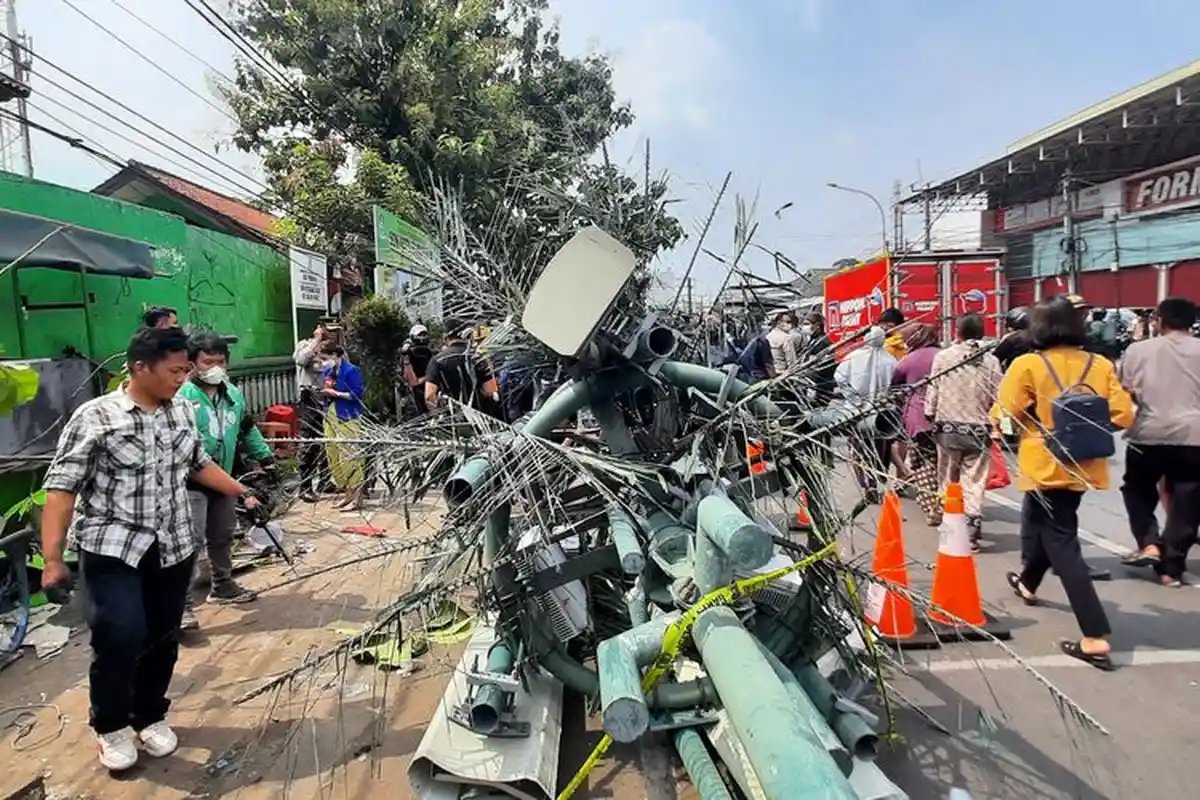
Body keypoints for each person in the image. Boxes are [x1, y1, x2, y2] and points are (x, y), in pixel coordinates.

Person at [39, 326, 261, 771]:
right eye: (175, 371)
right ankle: (111, 726)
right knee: (120, 634)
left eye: (186, 370)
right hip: (113, 549)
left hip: (173, 546)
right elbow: (61, 489)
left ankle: (149, 715)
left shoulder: (180, 411)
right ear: (140, 367)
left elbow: (199, 462)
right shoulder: (96, 417)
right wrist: (51, 559)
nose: (183, 378)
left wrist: (242, 491)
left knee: (163, 638)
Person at [992, 296, 1133, 670]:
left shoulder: (1027, 365)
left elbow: (1005, 415)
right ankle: (1028, 582)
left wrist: (1009, 430)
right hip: (1084, 463)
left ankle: (1094, 635)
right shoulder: (1099, 364)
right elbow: (1122, 414)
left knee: (1061, 540)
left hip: (1043, 463)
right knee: (1047, 525)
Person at [177, 333, 273, 629]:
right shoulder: (182, 398)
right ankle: (180, 606)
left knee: (222, 534)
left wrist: (265, 457)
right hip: (188, 481)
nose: (215, 367)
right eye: (208, 361)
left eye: (220, 361)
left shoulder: (232, 394)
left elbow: (246, 429)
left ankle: (222, 585)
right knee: (188, 542)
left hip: (224, 477)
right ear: (192, 363)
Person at [1118, 297, 1200, 587]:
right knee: (1187, 501)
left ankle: (1149, 543)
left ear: (1160, 321)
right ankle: (1171, 569)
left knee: (1137, 489)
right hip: (1194, 437)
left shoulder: (1138, 350)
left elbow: (1125, 390)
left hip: (1148, 434)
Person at [924, 315, 1001, 544]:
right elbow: (999, 396)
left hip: (948, 427)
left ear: (957, 332)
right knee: (974, 479)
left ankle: (948, 522)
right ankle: (972, 521)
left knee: (947, 476)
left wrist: (930, 412)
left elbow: (933, 389)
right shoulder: (991, 361)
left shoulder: (943, 357)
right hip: (979, 429)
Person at [835, 325, 898, 503]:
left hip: (857, 412)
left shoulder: (853, 357)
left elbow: (839, 377)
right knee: (879, 449)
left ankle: (866, 482)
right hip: (880, 412)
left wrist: (854, 399)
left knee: (858, 448)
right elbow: (896, 385)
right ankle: (875, 480)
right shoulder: (891, 361)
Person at [891, 323, 942, 524]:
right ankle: (949, 501)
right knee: (943, 463)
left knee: (923, 461)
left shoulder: (908, 360)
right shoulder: (943, 355)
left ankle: (932, 508)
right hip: (946, 416)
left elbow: (894, 387)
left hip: (918, 419)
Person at [320, 344, 368, 510]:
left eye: (325, 358)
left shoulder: (351, 370)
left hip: (347, 415)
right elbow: (327, 388)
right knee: (332, 454)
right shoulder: (327, 372)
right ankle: (347, 494)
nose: (324, 362)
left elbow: (357, 394)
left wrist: (336, 394)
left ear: (335, 355)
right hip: (330, 415)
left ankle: (358, 497)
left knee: (350, 455)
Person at [425, 320, 501, 414]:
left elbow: (429, 395)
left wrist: (438, 415)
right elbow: (490, 390)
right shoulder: (478, 357)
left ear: (445, 337)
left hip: (454, 420)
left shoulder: (436, 361)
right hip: (480, 418)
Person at [293, 324, 333, 503]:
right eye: (325, 329)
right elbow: (300, 360)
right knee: (310, 444)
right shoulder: (305, 345)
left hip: (329, 400)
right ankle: (305, 487)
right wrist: (316, 341)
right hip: (310, 399)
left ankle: (325, 481)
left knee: (328, 443)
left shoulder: (333, 349)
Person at [401, 324, 434, 416]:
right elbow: (410, 381)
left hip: (428, 389)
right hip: (416, 393)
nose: (422, 338)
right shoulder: (408, 354)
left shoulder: (429, 353)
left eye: (424, 335)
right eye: (420, 335)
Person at [994, 306, 1032, 371]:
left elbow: (995, 358)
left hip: (1017, 375)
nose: (1007, 328)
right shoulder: (1041, 337)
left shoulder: (1013, 339)